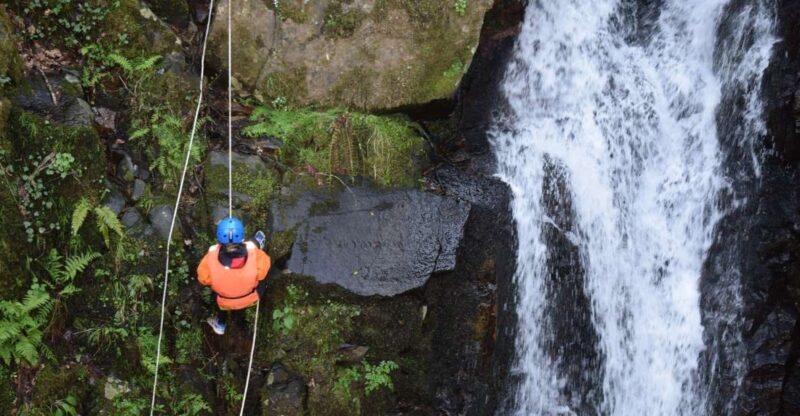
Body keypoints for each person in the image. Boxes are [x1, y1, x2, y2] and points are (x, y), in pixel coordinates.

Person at [197, 217, 270, 335]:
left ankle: (221, 323)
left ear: (219, 239)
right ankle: (240, 321)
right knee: (261, 276)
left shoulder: (210, 258)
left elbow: (203, 279)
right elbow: (263, 273)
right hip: (251, 299)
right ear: (242, 237)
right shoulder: (255, 253)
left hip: (224, 302)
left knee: (216, 294)